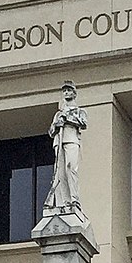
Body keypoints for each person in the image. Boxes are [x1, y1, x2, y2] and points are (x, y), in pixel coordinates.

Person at [43, 81, 88, 217]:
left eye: (69, 90)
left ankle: (74, 199)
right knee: (59, 172)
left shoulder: (79, 111)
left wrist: (68, 119)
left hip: (71, 139)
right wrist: (57, 124)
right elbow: (51, 131)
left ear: (74, 93)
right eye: (65, 91)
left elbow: (84, 123)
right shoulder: (58, 113)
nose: (67, 93)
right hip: (59, 141)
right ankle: (63, 201)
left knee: (71, 168)